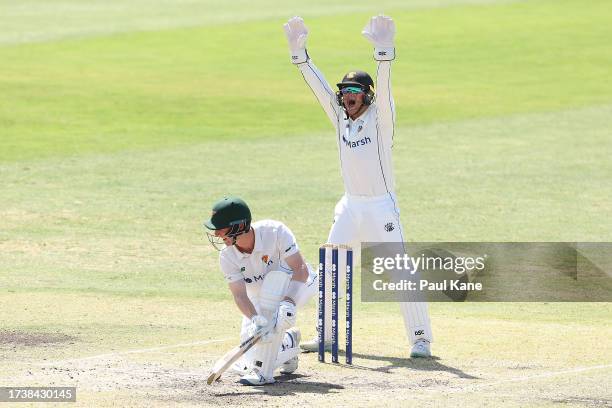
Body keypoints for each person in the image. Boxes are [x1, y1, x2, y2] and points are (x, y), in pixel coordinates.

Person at [283, 15, 433, 358]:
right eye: (345, 92)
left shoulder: (381, 123)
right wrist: (300, 55)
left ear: (367, 97)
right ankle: (328, 335)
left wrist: (383, 52)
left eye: (355, 92)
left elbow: (387, 89)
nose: (348, 97)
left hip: (381, 207)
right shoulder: (339, 119)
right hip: (350, 206)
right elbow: (320, 90)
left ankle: (420, 338)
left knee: (399, 271)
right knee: (330, 268)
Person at [203, 196, 318, 385]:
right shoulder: (227, 256)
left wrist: (288, 302)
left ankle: (266, 371)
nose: (216, 234)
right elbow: (239, 295)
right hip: (259, 298)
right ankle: (288, 342)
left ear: (238, 226)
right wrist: (256, 319)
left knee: (269, 339)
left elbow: (301, 269)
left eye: (220, 228)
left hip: (296, 286)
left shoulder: (275, 231)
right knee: (251, 358)